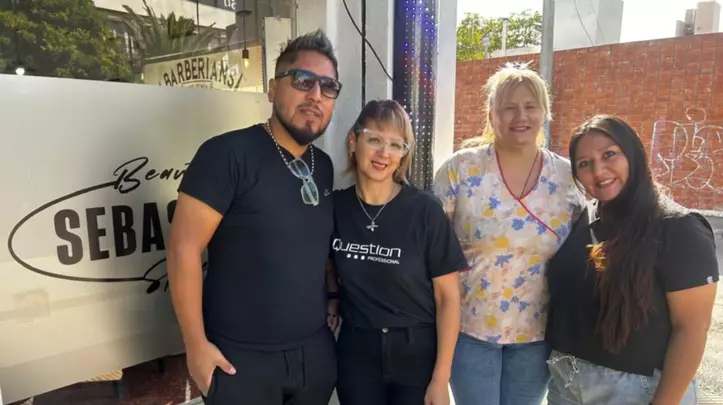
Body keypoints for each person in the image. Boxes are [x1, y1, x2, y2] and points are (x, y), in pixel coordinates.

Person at [166, 30, 342, 405]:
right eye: (303, 80)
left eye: (328, 87)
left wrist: (331, 297)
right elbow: (183, 249)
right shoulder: (226, 155)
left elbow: (318, 248)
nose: (316, 95)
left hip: (313, 355)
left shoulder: (324, 166)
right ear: (273, 89)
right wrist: (195, 346)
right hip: (239, 361)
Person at [433, 62, 585, 405]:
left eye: (531, 106)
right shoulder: (461, 170)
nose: (521, 116)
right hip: (469, 332)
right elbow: (433, 249)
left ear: (545, 113)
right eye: (509, 107)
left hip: (538, 336)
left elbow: (584, 253)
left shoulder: (567, 178)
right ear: (492, 115)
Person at [544, 115, 719, 405]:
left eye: (609, 154)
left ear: (633, 154)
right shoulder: (583, 218)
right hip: (567, 383)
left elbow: (692, 329)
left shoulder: (678, 227)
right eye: (584, 163)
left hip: (637, 390)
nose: (598, 170)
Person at [331, 99, 468, 405]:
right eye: (374, 140)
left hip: (416, 353)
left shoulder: (425, 211)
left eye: (396, 145)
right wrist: (331, 298)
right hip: (357, 352)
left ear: (404, 154)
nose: (384, 153)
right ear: (353, 142)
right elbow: (323, 261)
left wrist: (441, 378)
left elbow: (448, 297)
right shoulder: (336, 207)